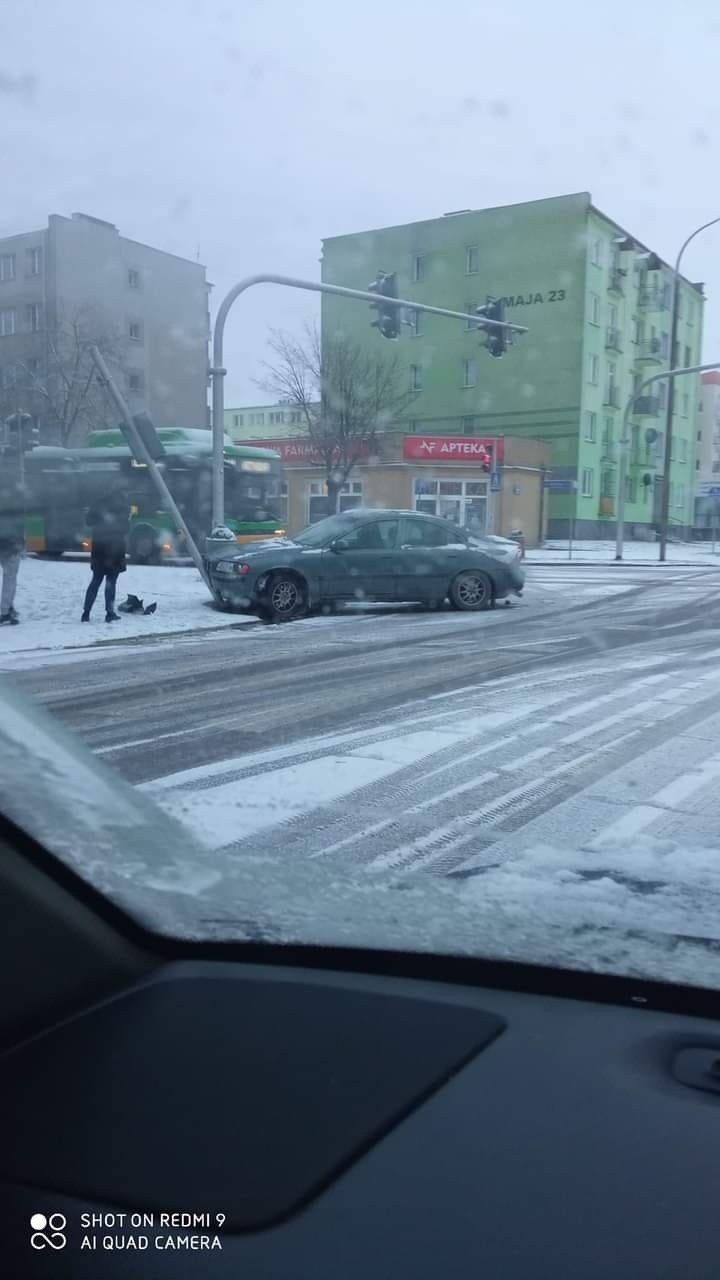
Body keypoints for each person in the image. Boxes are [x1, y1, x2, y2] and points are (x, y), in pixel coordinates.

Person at [82, 487, 129, 623]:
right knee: (111, 582)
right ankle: (109, 613)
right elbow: (126, 528)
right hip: (115, 548)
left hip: (99, 547)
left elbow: (88, 522)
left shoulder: (98, 504)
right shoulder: (122, 506)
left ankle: (86, 612)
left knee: (95, 580)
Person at [0, 464, 25, 625]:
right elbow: (17, 524)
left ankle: (8, 607)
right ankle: (5, 610)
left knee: (9, 577)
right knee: (10, 577)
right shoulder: (14, 500)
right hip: (9, 544)